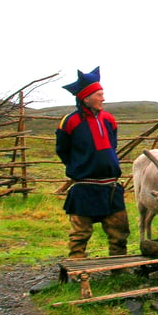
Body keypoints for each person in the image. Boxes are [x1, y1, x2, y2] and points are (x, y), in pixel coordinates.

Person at [55, 66, 130, 258]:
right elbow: (62, 150)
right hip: (84, 187)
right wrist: (78, 167)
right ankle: (77, 268)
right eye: (99, 94)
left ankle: (119, 269)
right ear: (86, 97)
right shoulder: (69, 122)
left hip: (110, 186)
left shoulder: (109, 119)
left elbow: (112, 145)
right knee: (80, 235)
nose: (103, 99)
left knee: (119, 234)